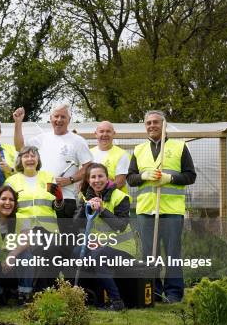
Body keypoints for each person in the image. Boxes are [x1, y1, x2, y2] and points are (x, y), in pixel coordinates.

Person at [127, 110, 196, 303]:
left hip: (171, 210)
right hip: (147, 210)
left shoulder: (179, 147)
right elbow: (130, 179)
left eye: (156, 122)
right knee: (150, 253)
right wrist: (143, 176)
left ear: (164, 124)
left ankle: (174, 292)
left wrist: (170, 178)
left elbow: (190, 176)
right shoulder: (139, 150)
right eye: (148, 123)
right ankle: (154, 291)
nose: (152, 126)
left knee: (172, 252)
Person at [13, 104, 92, 236]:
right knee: (44, 243)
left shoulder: (78, 141)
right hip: (43, 201)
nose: (59, 120)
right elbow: (20, 147)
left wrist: (70, 179)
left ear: (69, 119)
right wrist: (18, 123)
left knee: (65, 242)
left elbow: (88, 166)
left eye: (63, 117)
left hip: (66, 200)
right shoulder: (42, 138)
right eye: (56, 116)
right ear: (50, 118)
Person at [75, 163, 138, 311]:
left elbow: (120, 225)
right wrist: (86, 208)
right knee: (76, 253)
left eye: (100, 176)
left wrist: (102, 210)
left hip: (123, 248)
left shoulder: (120, 197)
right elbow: (76, 224)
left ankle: (116, 301)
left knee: (98, 257)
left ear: (107, 177)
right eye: (93, 177)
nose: (97, 180)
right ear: (88, 180)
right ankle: (90, 296)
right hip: (99, 247)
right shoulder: (84, 197)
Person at [5, 146, 63, 232]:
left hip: (49, 230)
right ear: (20, 160)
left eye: (33, 156)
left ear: (38, 159)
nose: (30, 159)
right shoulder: (12, 181)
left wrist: (59, 200)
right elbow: (6, 208)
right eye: (26, 156)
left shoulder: (48, 177)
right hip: (23, 231)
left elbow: (57, 207)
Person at [91, 121, 129, 192]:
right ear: (96, 134)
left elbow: (120, 182)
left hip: (115, 201)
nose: (105, 134)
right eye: (101, 131)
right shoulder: (89, 154)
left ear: (114, 134)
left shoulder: (122, 154)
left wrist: (99, 194)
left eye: (108, 131)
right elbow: (82, 181)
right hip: (90, 201)